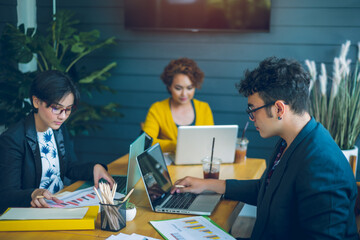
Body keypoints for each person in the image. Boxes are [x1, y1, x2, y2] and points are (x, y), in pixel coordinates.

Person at [171, 57, 358, 239]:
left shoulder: (323, 166)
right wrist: (208, 184)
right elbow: (270, 188)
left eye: (253, 110)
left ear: (279, 109)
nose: (251, 119)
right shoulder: (291, 140)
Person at [0, 70, 114, 214]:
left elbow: (69, 167)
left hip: (58, 206)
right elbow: (6, 195)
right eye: (56, 108)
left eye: (68, 110)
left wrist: (94, 168)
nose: (63, 116)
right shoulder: (13, 140)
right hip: (30, 214)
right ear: (36, 101)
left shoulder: (57, 129)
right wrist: (32, 194)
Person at [142, 57, 214, 153]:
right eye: (178, 88)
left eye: (189, 88)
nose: (184, 94)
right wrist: (177, 145)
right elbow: (146, 142)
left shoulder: (204, 108)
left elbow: (210, 141)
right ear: (169, 87)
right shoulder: (157, 109)